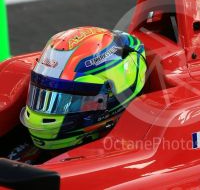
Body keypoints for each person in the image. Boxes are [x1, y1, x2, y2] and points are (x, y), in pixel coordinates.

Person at [8, 27, 147, 164]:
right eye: (41, 94)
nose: (40, 114)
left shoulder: (131, 157)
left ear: (114, 95)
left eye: (69, 101)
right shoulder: (19, 154)